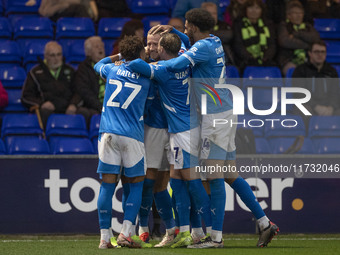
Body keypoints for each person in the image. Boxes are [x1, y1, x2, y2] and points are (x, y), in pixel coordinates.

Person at [152, 7, 279, 248]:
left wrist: (153, 65)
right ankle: (265, 223)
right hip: (226, 112)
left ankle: (216, 238)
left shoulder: (201, 48)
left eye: (187, 25)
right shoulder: (215, 40)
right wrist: (175, 32)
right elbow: (190, 40)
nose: (185, 28)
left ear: (196, 27)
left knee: (214, 175)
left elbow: (177, 63)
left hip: (215, 117)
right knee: (230, 173)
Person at [129, 33, 213, 248]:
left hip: (178, 129)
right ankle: (158, 230)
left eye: (155, 43)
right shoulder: (182, 59)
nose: (150, 47)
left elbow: (137, 64)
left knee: (183, 181)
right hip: (157, 129)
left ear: (164, 47)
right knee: (155, 182)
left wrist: (129, 56)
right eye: (147, 43)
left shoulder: (164, 68)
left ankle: (198, 231)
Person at [94, 35, 154, 249]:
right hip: (132, 136)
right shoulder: (147, 78)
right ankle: (126, 234)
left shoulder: (111, 70)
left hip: (108, 133)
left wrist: (119, 57)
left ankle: (104, 239)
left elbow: (98, 64)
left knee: (107, 186)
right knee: (136, 184)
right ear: (141, 54)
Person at [21, 41, 79, 127]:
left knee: (84, 113)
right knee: (44, 113)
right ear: (46, 56)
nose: (56, 59)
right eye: (52, 55)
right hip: (47, 109)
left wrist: (73, 104)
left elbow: (78, 92)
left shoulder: (71, 71)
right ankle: (45, 139)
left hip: (68, 108)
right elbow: (26, 97)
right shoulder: (35, 72)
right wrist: (41, 104)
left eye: (59, 55)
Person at [292, 40, 340, 124]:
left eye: (323, 52)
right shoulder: (300, 70)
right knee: (303, 110)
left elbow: (335, 93)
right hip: (309, 105)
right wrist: (316, 106)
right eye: (316, 52)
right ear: (310, 53)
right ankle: (305, 136)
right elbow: (299, 94)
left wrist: (331, 107)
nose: (320, 55)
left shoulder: (331, 71)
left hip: (328, 107)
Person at [277, 1, 320, 76]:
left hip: (308, 60)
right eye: (295, 13)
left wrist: (297, 34)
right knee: (296, 73)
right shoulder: (284, 26)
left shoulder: (308, 26)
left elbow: (315, 38)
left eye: (300, 13)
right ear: (288, 15)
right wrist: (307, 45)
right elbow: (285, 41)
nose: (298, 16)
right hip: (289, 60)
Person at [232, 0, 276, 72]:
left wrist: (266, 58)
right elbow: (238, 45)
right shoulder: (238, 24)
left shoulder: (268, 24)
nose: (254, 11)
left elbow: (272, 44)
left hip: (266, 60)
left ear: (262, 10)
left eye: (257, 8)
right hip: (245, 61)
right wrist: (250, 58)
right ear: (245, 9)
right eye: (250, 7)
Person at [74, 36, 106, 126]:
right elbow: (84, 92)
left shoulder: (111, 65)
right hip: (94, 106)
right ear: (88, 52)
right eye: (96, 47)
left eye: (101, 46)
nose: (100, 48)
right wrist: (100, 107)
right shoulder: (83, 68)